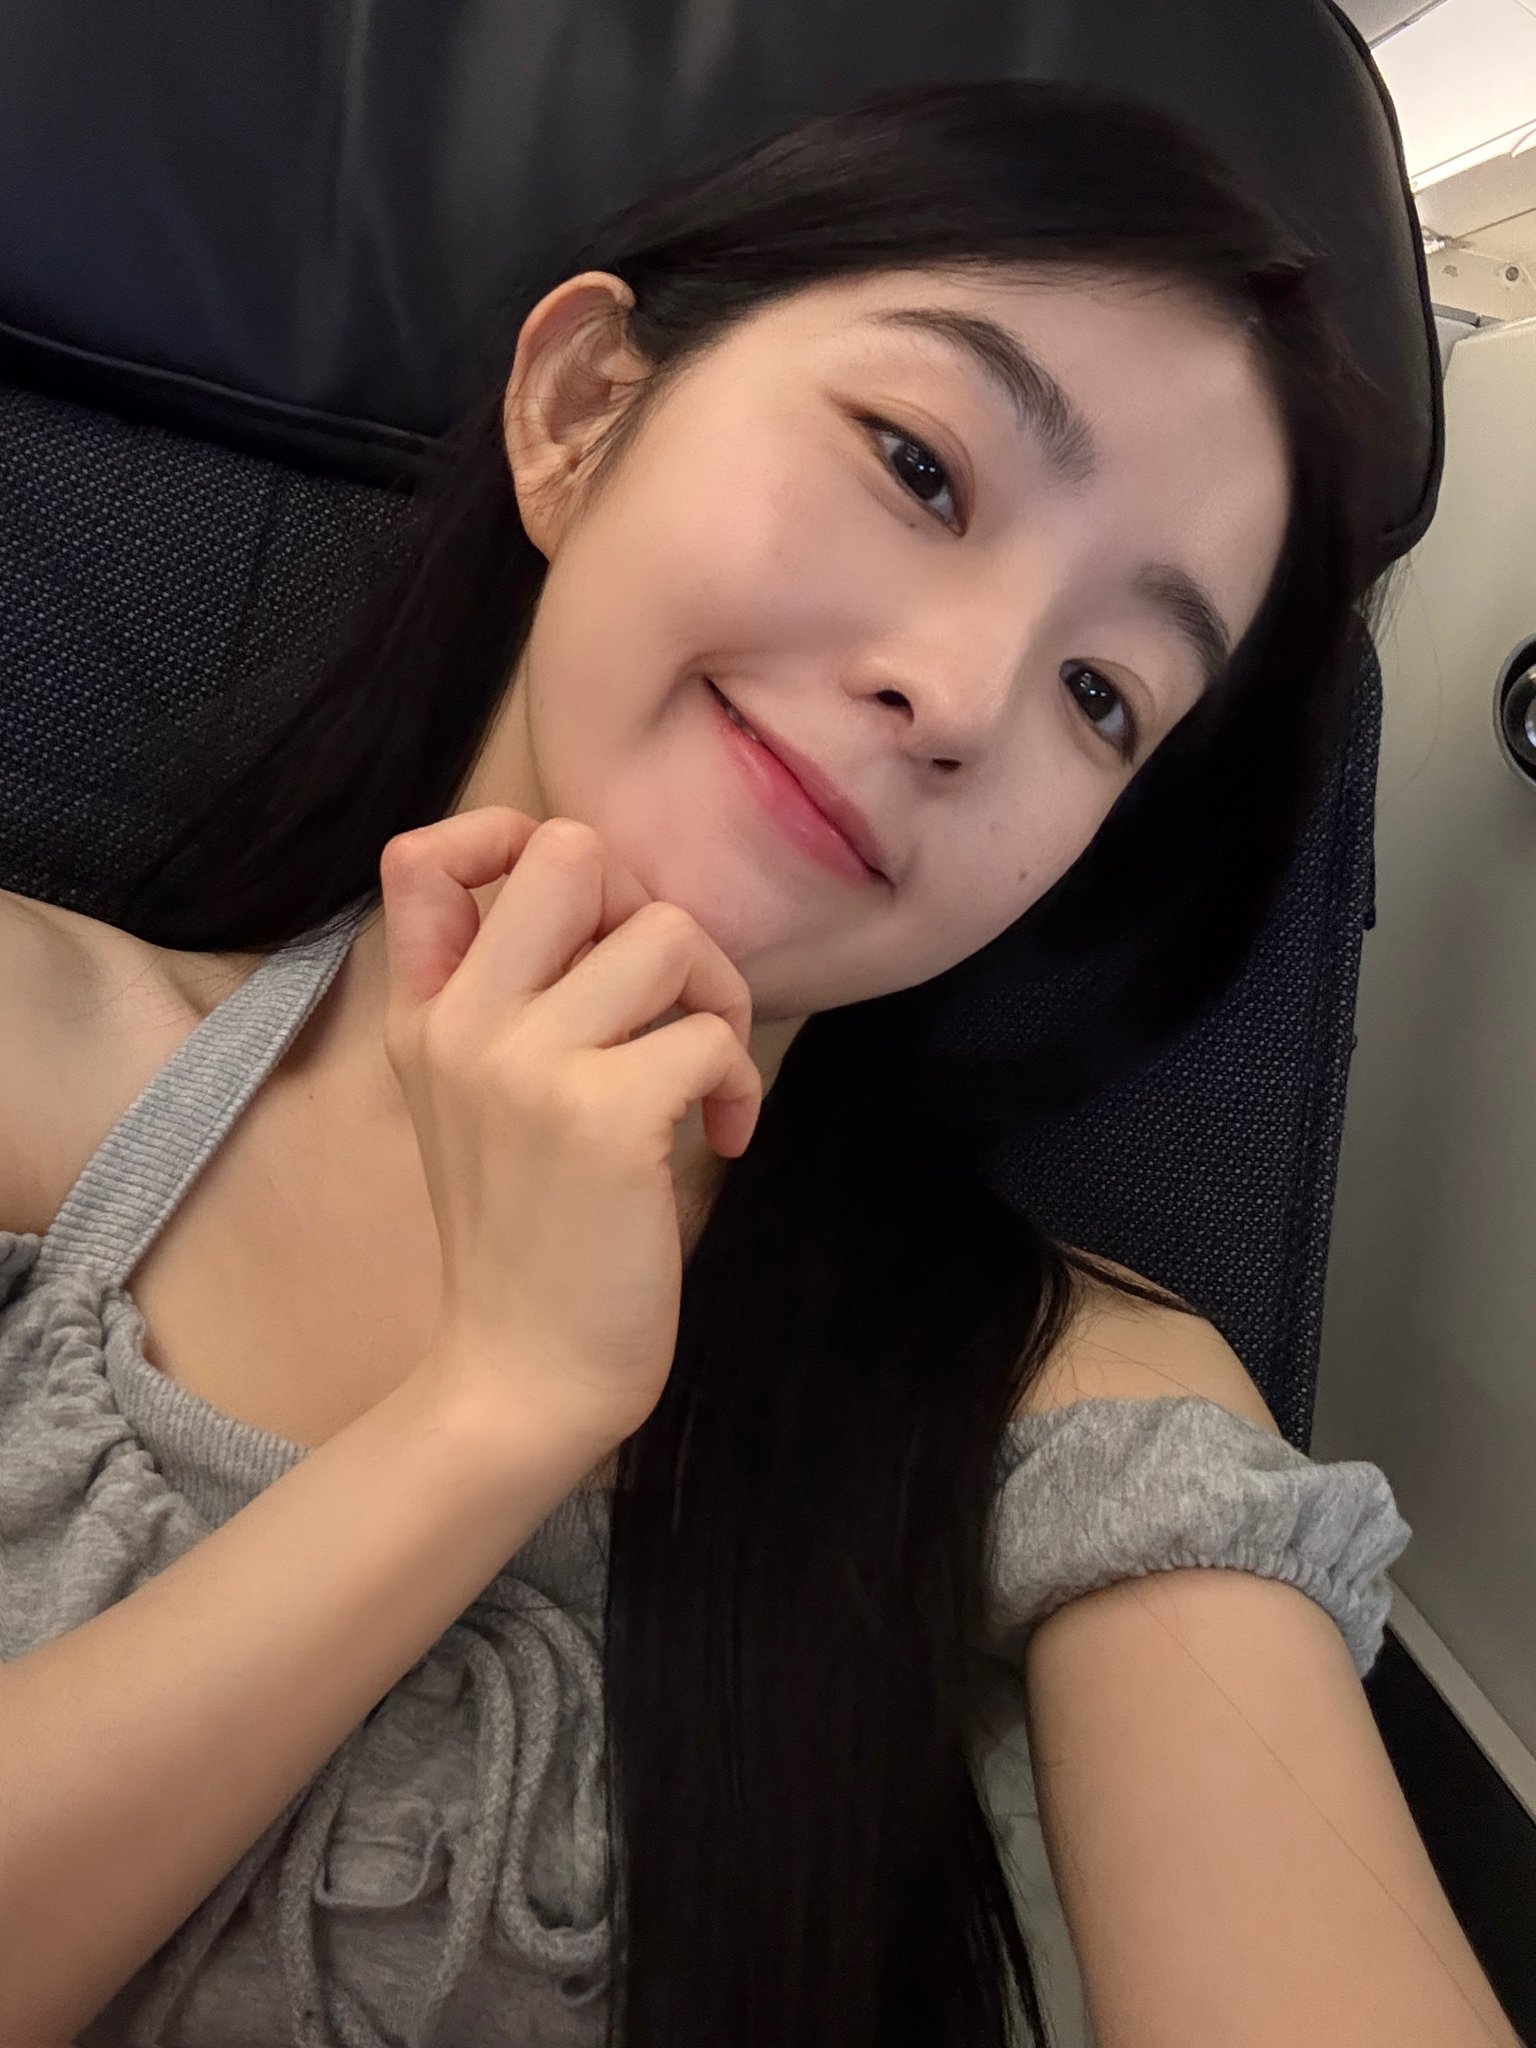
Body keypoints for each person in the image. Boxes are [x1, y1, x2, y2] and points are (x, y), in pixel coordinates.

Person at [0, 74, 1516, 2048]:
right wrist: (497, 1408)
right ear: (582, 411)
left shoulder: (1075, 1401)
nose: (961, 695)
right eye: (922, 467)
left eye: (1101, 692)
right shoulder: (36, 1046)